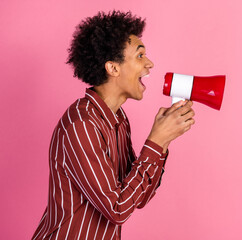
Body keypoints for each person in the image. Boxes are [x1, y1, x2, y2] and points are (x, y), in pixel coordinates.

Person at [32, 11, 195, 240]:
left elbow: (138, 198)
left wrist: (164, 141)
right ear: (113, 68)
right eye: (140, 56)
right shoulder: (82, 125)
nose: (149, 64)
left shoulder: (117, 119)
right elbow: (117, 209)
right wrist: (155, 142)